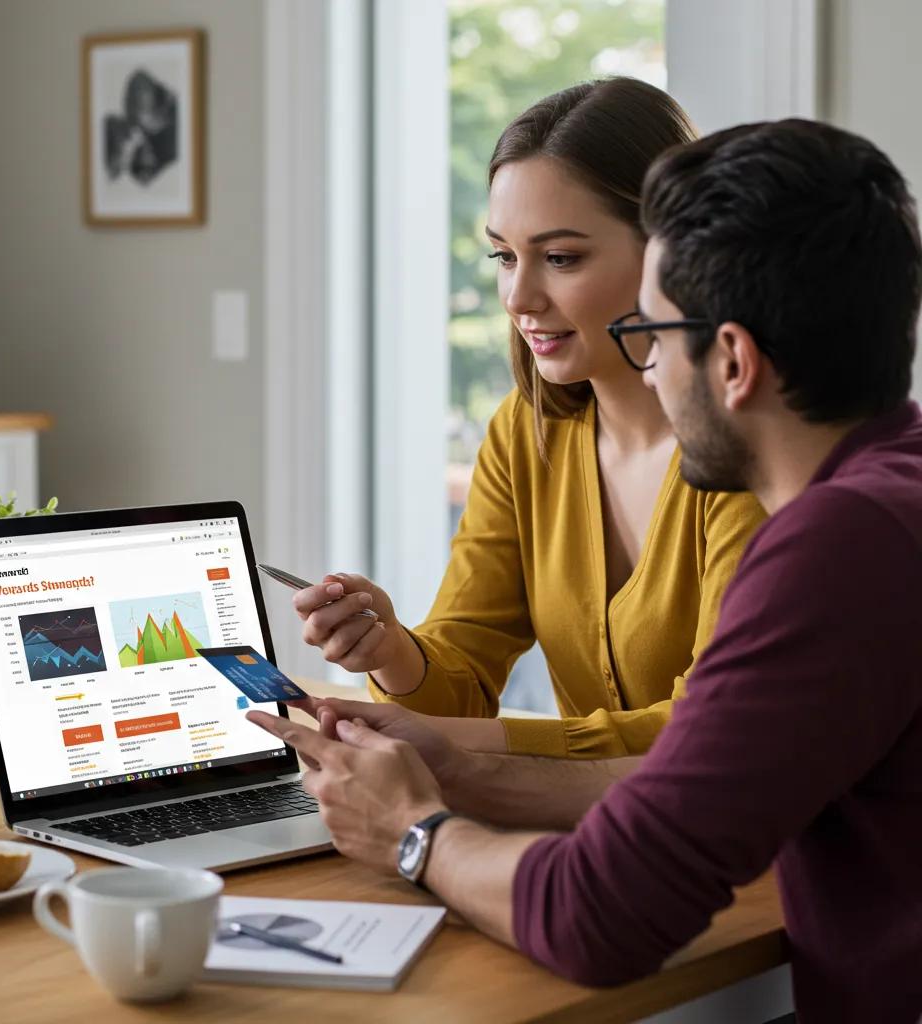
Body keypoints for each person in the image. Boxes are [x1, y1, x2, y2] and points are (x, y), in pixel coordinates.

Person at [250, 118, 922, 1023]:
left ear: (730, 359)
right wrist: (453, 757)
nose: (645, 363)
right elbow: (691, 782)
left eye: (654, 328)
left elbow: (602, 913)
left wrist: (413, 836)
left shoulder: (835, 546)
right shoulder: (890, 497)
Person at [293, 78, 764, 759]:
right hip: (589, 836)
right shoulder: (527, 430)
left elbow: (712, 734)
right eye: (505, 256)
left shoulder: (751, 450)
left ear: (672, 252)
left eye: (561, 258)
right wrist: (392, 650)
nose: (518, 296)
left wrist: (453, 744)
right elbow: (463, 669)